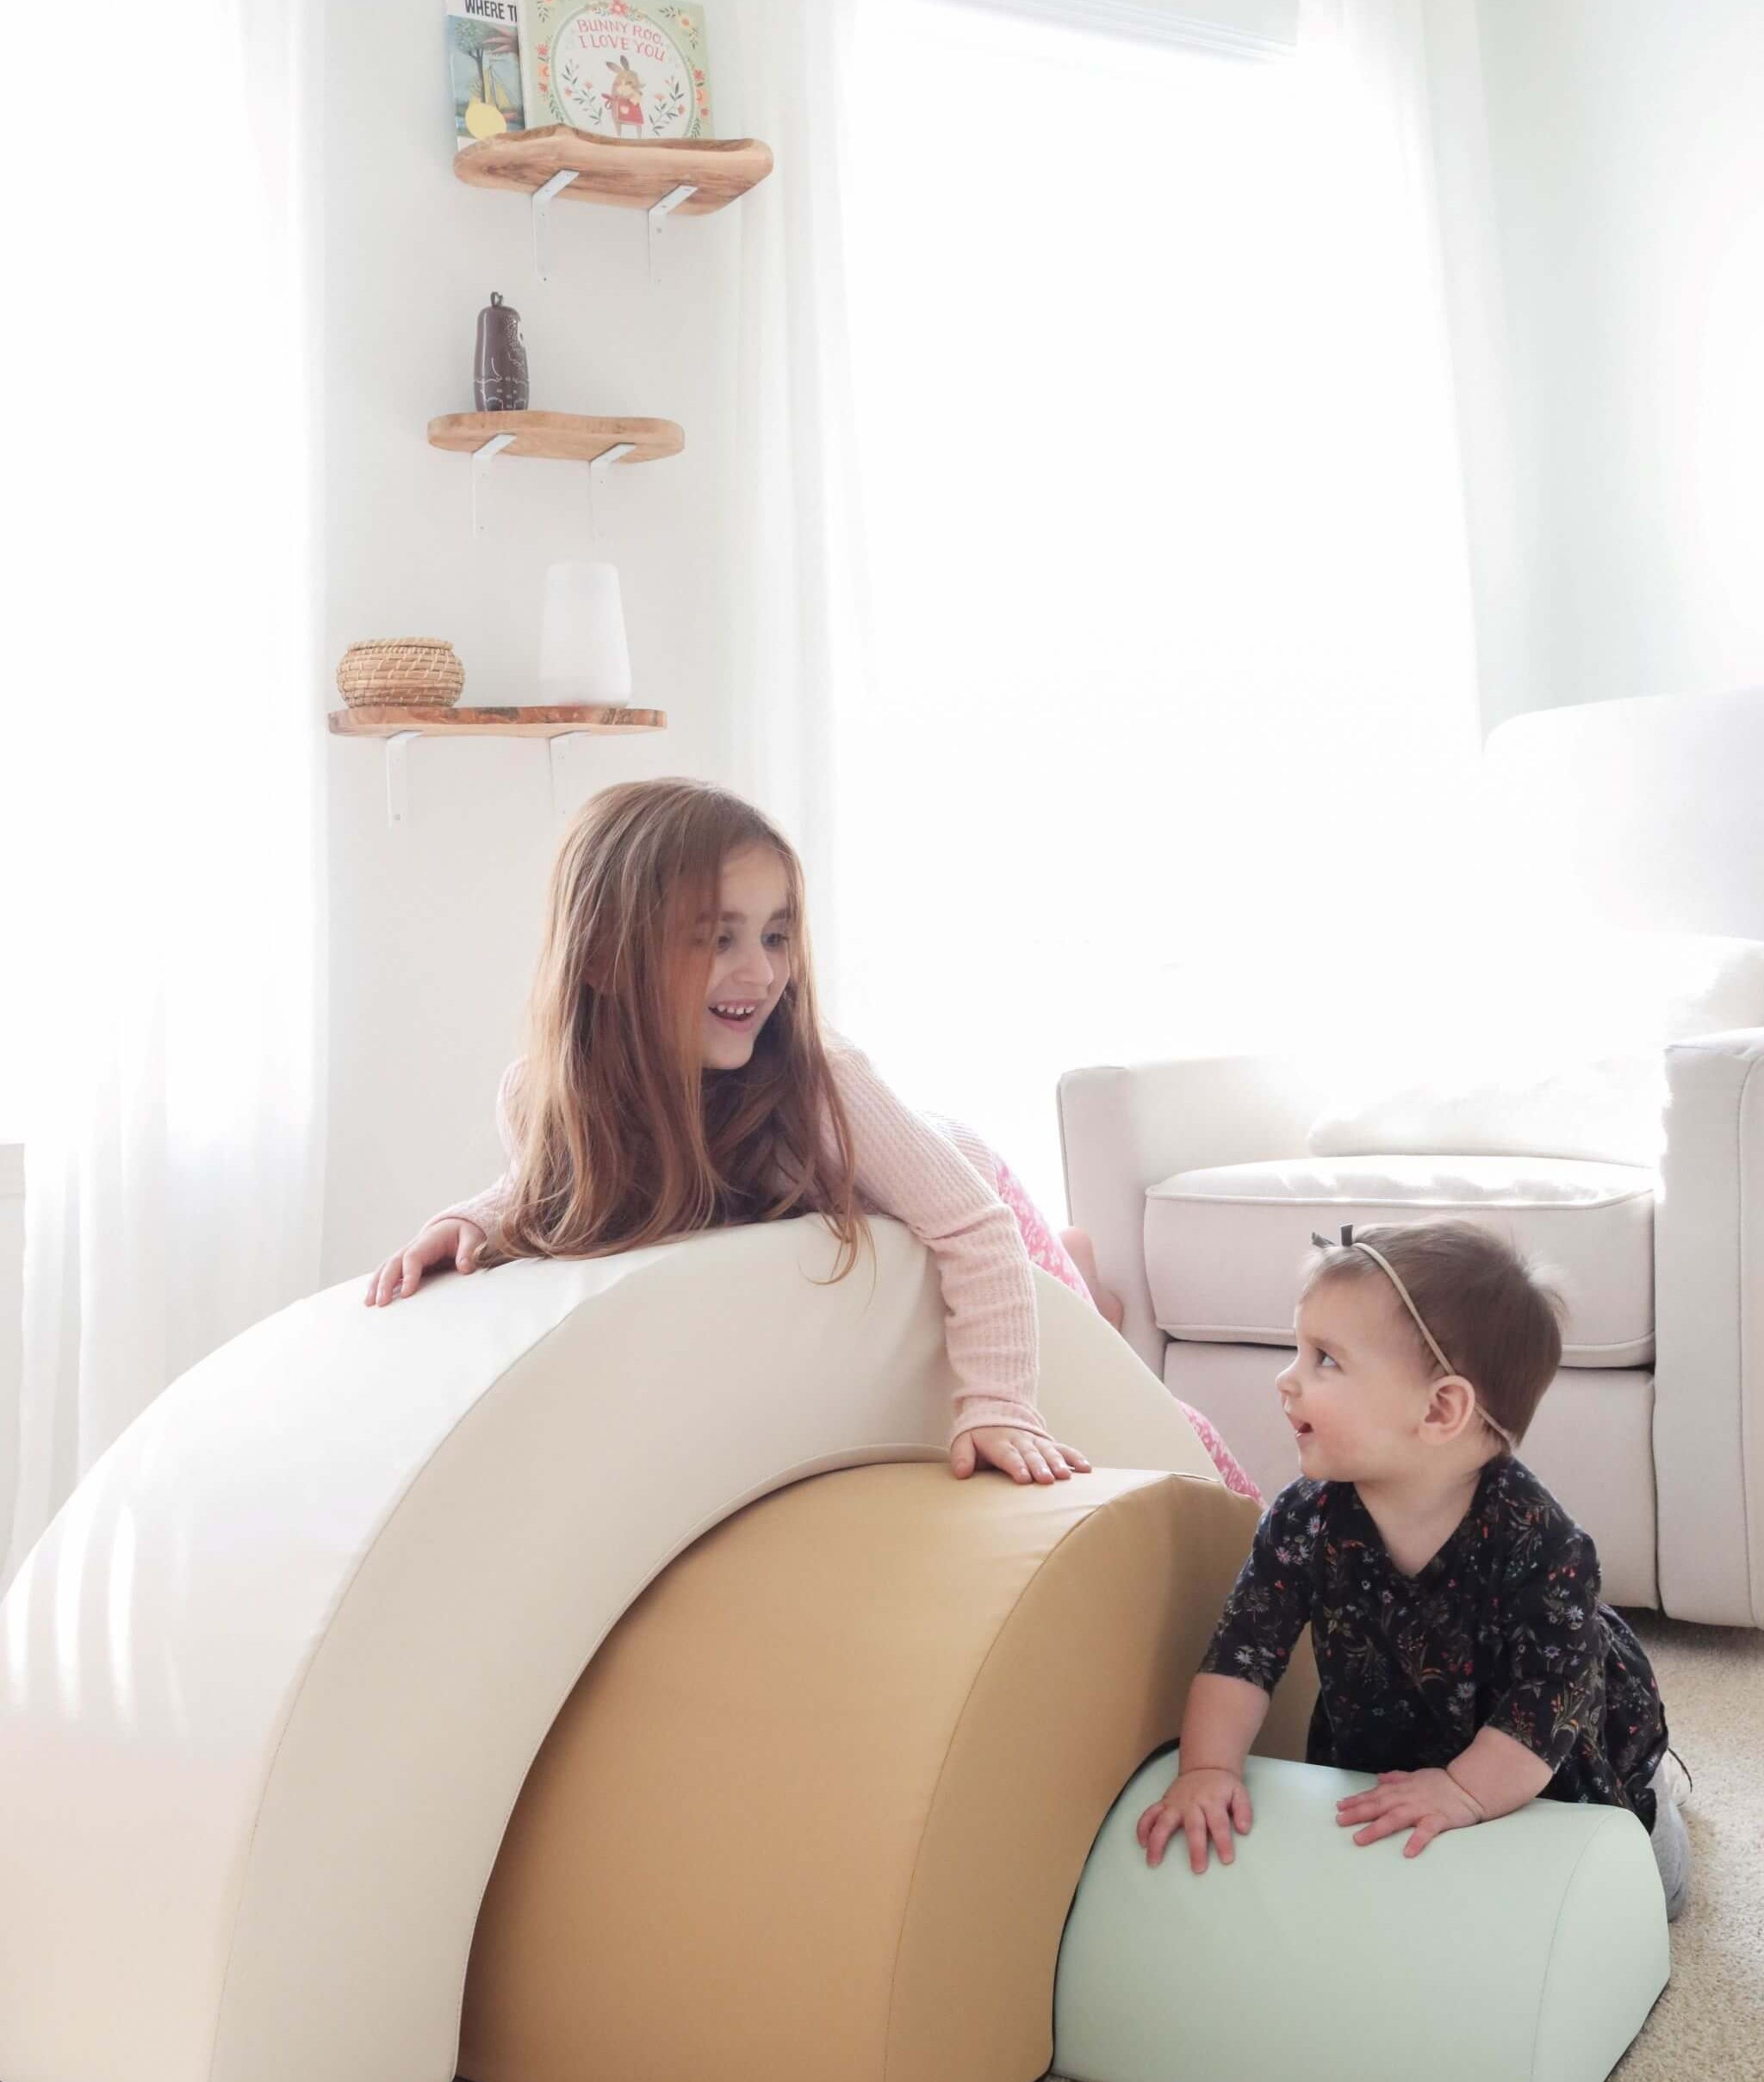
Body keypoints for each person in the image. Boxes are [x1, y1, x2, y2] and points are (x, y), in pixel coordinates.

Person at [364, 778, 1255, 1495]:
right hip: (876, 1211)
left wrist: (997, 1405)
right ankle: (1086, 1273)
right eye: (717, 939)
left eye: (777, 935)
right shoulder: (540, 1094)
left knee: (1143, 1404)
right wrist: (476, 1220)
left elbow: (971, 1229)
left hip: (971, 1196)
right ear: (599, 958)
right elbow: (547, 1183)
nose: (759, 972)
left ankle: (1076, 1276)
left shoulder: (818, 1083)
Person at [1136, 1219, 1690, 1920]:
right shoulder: (1304, 1520)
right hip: (1391, 1730)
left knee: (1654, 1897)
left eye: (1325, 1359)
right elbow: (1242, 1654)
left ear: (1440, 1409)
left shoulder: (1545, 1548)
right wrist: (1208, 1767)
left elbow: (1545, 1707)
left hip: (1538, 1744)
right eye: (1297, 1350)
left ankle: (1662, 1799)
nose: (1286, 1378)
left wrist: (1461, 1791)